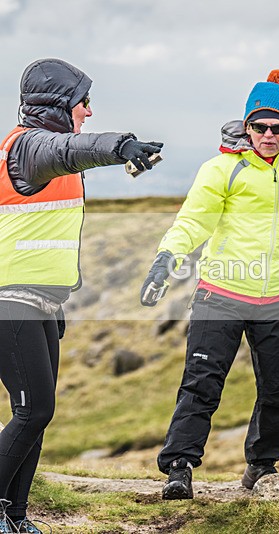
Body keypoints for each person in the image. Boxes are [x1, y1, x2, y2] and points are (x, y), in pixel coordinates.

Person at [142, 69, 279, 499]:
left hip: (277, 302)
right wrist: (166, 258)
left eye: (277, 127)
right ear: (247, 127)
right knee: (202, 385)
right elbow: (193, 220)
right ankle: (179, 468)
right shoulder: (221, 170)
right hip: (221, 296)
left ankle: (262, 468)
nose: (268, 134)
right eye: (259, 126)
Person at [0, 58, 162, 533]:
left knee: (36, 416)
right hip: (11, 301)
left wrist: (61, 295)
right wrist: (122, 146)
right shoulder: (30, 148)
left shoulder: (44, 155)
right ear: (57, 106)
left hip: (41, 303)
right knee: (34, 410)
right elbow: (72, 149)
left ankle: (15, 515)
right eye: (82, 101)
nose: (88, 111)